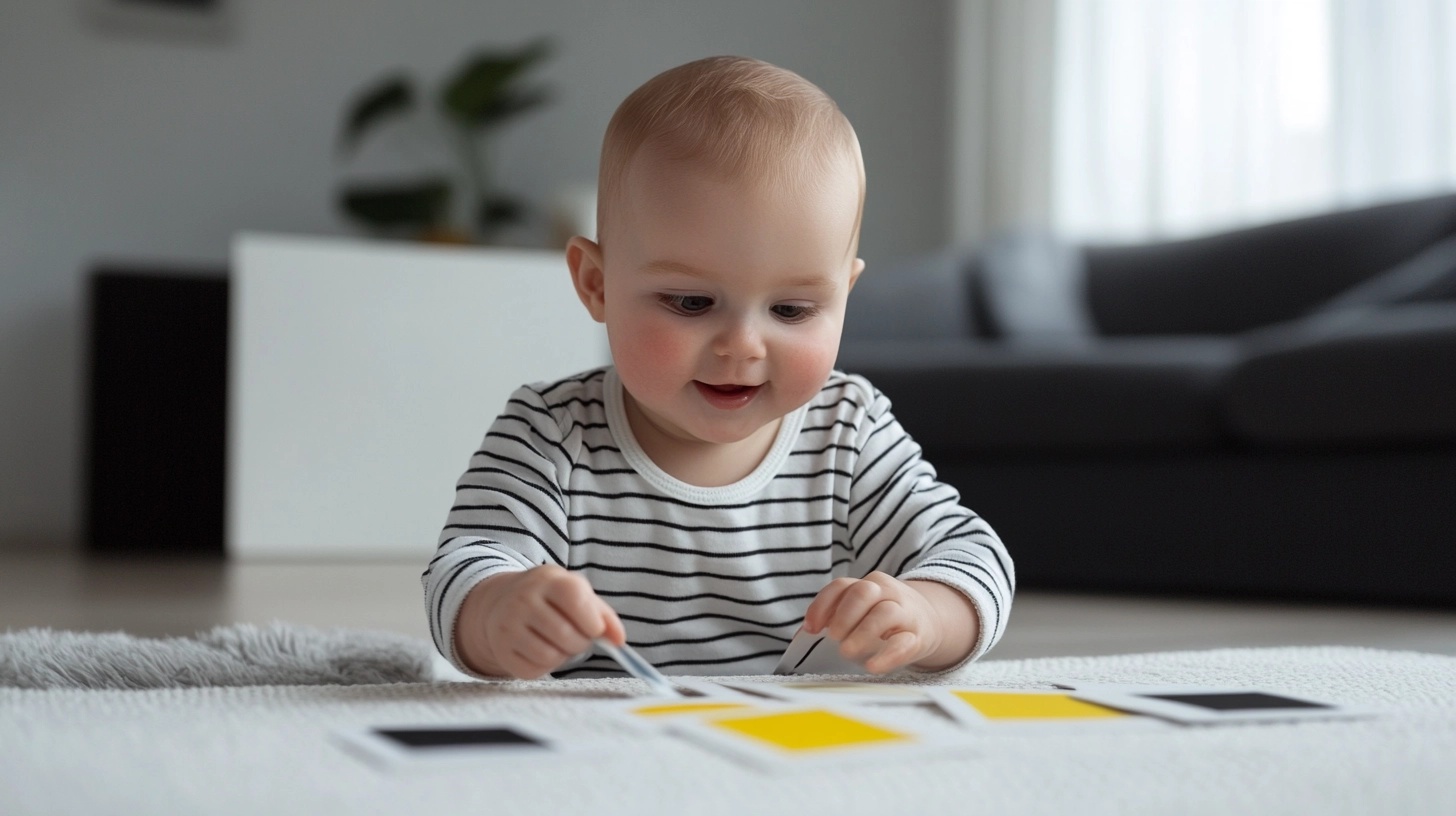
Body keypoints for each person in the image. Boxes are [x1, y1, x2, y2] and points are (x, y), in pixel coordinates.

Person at [423, 56, 1014, 680]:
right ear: (597, 284)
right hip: (604, 744)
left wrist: (926, 613)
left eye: (791, 309)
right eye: (691, 302)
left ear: (845, 295)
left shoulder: (849, 430)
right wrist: (497, 613)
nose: (742, 346)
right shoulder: (551, 432)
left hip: (791, 747)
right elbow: (464, 566)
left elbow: (973, 557)